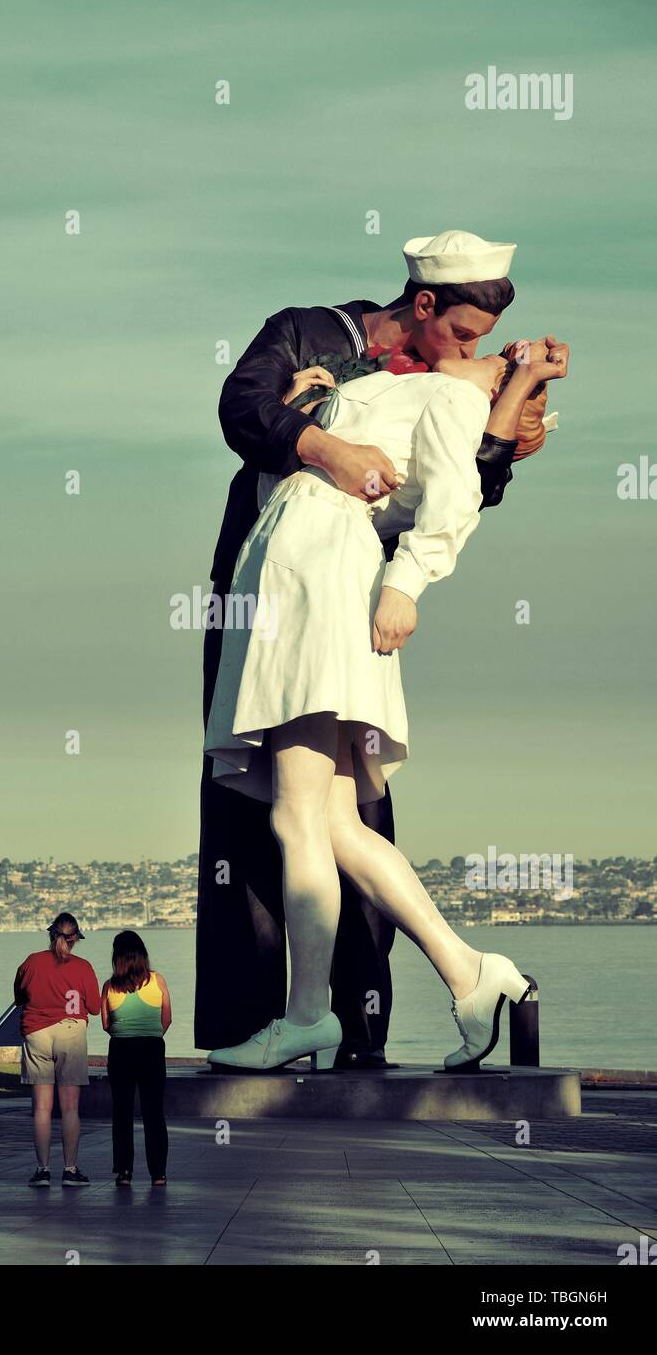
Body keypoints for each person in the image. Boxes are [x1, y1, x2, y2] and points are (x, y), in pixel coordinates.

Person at [196, 229, 569, 1065]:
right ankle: (469, 973)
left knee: (299, 815)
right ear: (424, 306)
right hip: (292, 570)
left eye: (486, 352)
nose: (471, 354)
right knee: (328, 819)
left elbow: (457, 497)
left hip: (318, 571)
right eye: (464, 338)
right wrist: (315, 409)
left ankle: (310, 1016)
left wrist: (405, 583)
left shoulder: (449, 397)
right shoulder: (374, 370)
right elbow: (248, 411)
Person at [13, 913, 101, 1188]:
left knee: (42, 1108)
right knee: (70, 1107)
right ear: (74, 939)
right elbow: (95, 1008)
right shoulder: (83, 967)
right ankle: (70, 1169)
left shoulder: (32, 962)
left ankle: (42, 1170)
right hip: (71, 1033)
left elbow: (19, 997)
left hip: (37, 1033)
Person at [101, 931, 171, 1186]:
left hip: (121, 1050)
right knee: (154, 1111)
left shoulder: (109, 986)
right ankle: (158, 1173)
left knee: (122, 1112)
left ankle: (124, 1171)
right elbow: (167, 1019)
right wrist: (150, 1034)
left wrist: (125, 1032)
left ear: (116, 957)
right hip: (152, 1049)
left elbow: (106, 1024)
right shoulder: (158, 980)